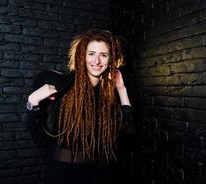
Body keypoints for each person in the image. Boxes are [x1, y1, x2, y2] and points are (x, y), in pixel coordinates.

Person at [25, 29, 133, 184]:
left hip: (100, 173)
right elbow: (40, 139)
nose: (97, 61)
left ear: (110, 60)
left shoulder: (109, 95)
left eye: (103, 55)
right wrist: (32, 103)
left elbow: (127, 138)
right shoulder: (63, 89)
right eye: (91, 53)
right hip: (63, 174)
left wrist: (122, 90)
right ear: (83, 56)